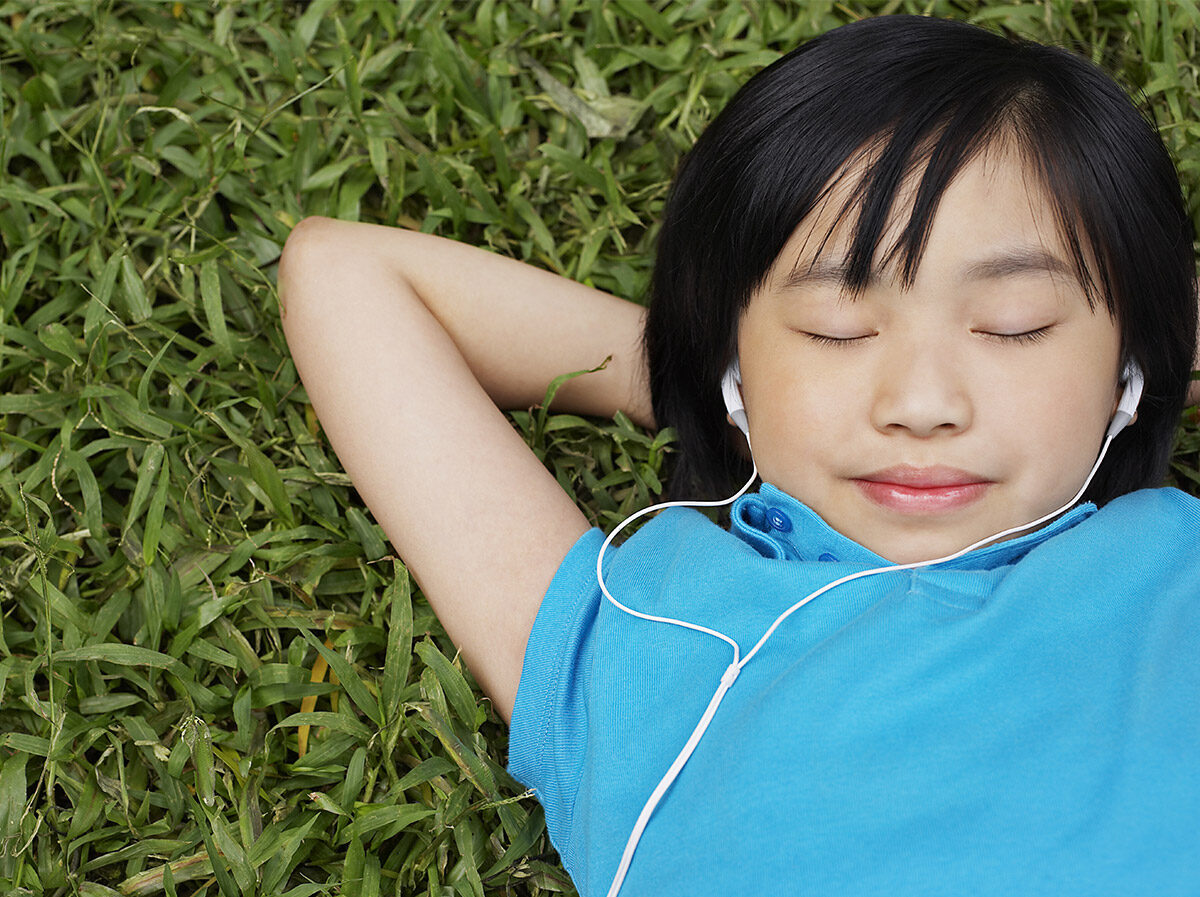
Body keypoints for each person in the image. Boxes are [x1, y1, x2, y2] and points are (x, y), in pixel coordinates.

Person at [278, 15, 1200, 897]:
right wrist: (713, 385)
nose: (922, 405)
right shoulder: (645, 640)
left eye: (1015, 326)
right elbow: (345, 274)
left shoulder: (1171, 569)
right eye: (836, 328)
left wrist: (1155, 350)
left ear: (1126, 363)